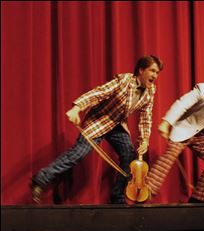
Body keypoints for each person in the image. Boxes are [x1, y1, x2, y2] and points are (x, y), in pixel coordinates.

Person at [31, 55, 163, 204]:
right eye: (152, 71)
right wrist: (77, 107)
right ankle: (40, 179)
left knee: (129, 155)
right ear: (141, 70)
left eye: (157, 73)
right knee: (78, 154)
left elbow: (146, 116)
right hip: (99, 121)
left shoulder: (150, 90)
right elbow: (99, 93)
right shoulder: (125, 81)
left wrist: (144, 138)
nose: (155, 76)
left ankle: (117, 196)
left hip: (117, 124)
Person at [145, 63, 204, 203]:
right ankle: (146, 191)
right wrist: (166, 122)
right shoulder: (203, 89)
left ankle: (198, 199)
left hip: (200, 134)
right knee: (169, 157)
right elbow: (182, 103)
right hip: (184, 128)